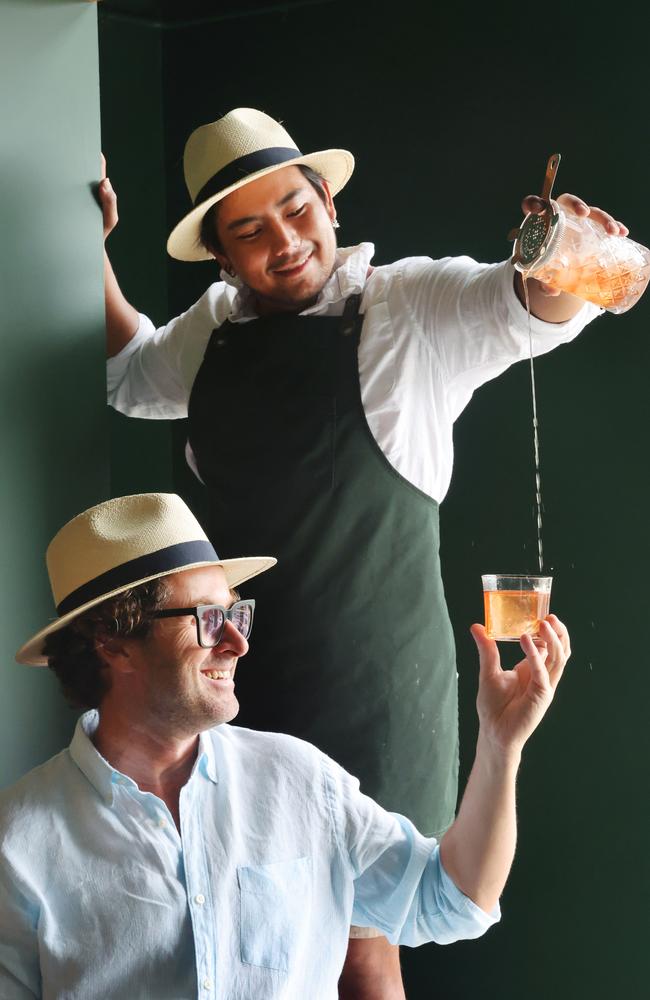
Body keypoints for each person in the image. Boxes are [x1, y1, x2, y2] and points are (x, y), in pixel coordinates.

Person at [100, 107, 623, 995]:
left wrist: (562, 256)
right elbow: (130, 369)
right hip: (234, 680)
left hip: (374, 689)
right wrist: (87, 250)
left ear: (330, 203)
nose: (286, 242)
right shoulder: (211, 332)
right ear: (222, 255)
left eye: (296, 210)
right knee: (245, 927)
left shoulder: (409, 305)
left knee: (358, 936)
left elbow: (530, 305)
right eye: (251, 231)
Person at [0, 492, 570, 1000]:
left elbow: (451, 900)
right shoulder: (18, 842)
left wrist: (501, 743)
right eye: (207, 619)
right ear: (114, 642)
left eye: (234, 613)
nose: (237, 642)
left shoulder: (300, 779)